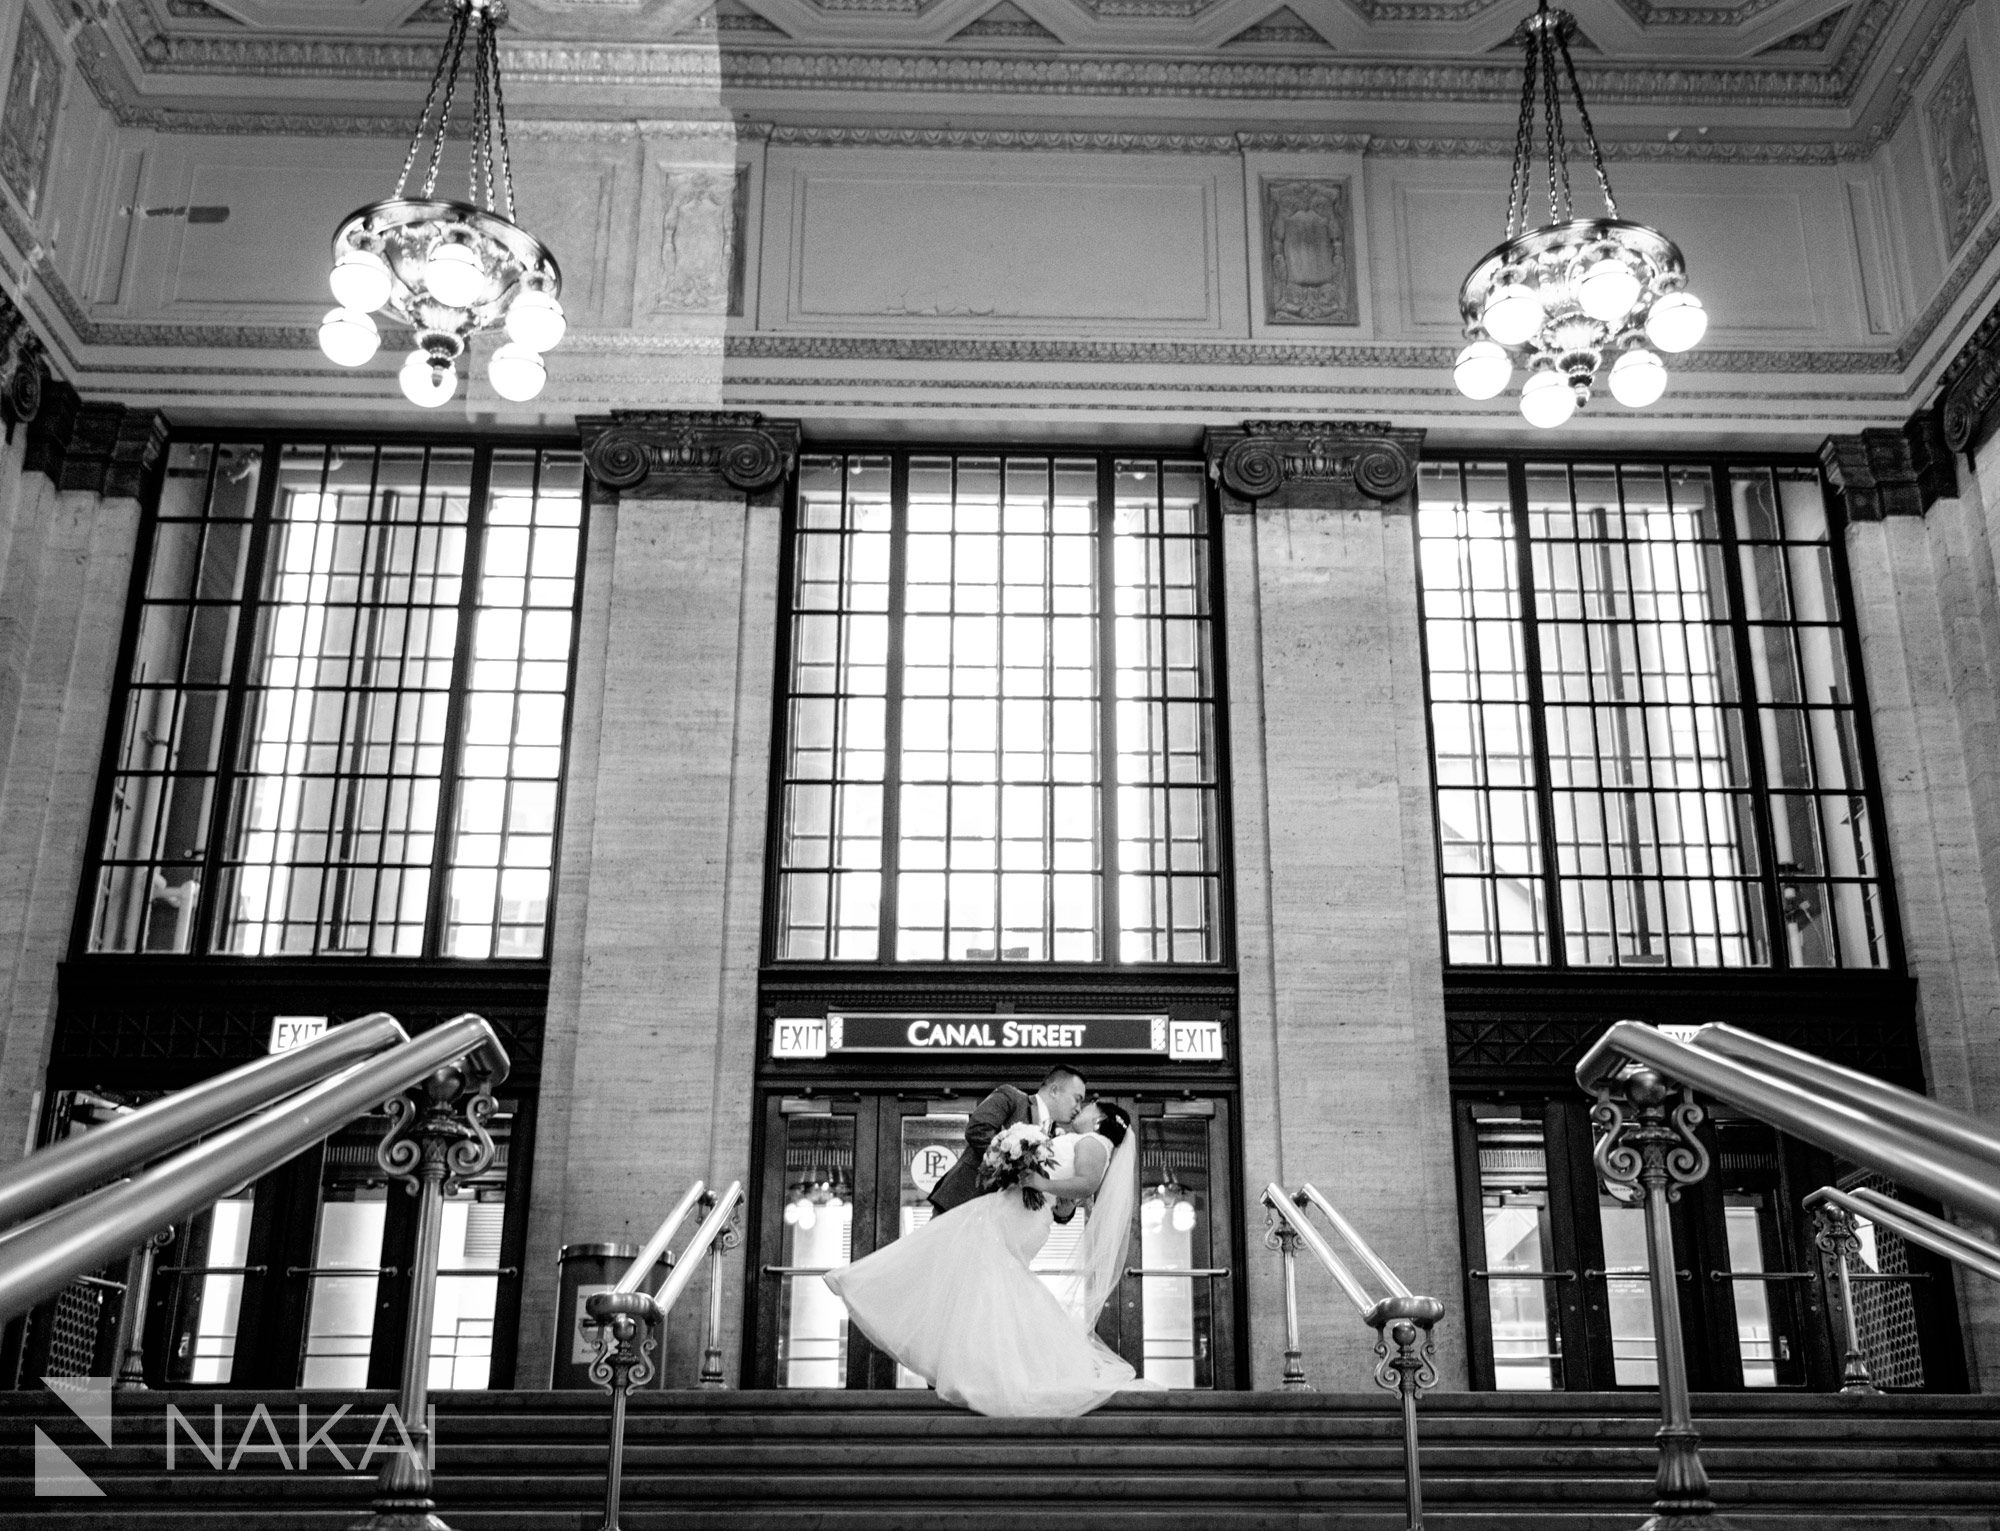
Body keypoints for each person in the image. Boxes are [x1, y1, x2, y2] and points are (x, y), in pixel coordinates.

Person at [824, 1097, 1161, 1417]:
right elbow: (1066, 1192)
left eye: (1087, 1105)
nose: (1080, 1108)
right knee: (986, 1281)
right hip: (1018, 1212)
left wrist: (1038, 1181)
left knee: (964, 1262)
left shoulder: (1091, 1142)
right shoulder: (1079, 1139)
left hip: (1022, 1216)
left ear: (1099, 1118)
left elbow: (1085, 1184)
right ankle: (986, 1368)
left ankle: (868, 1283)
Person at [925, 1063, 1087, 1217]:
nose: (1079, 1109)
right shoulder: (1012, 1098)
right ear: (1054, 1091)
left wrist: (1065, 1209)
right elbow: (978, 1129)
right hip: (963, 1202)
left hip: (1000, 1220)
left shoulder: (1053, 1139)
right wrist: (1014, 1165)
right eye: (1077, 1099)